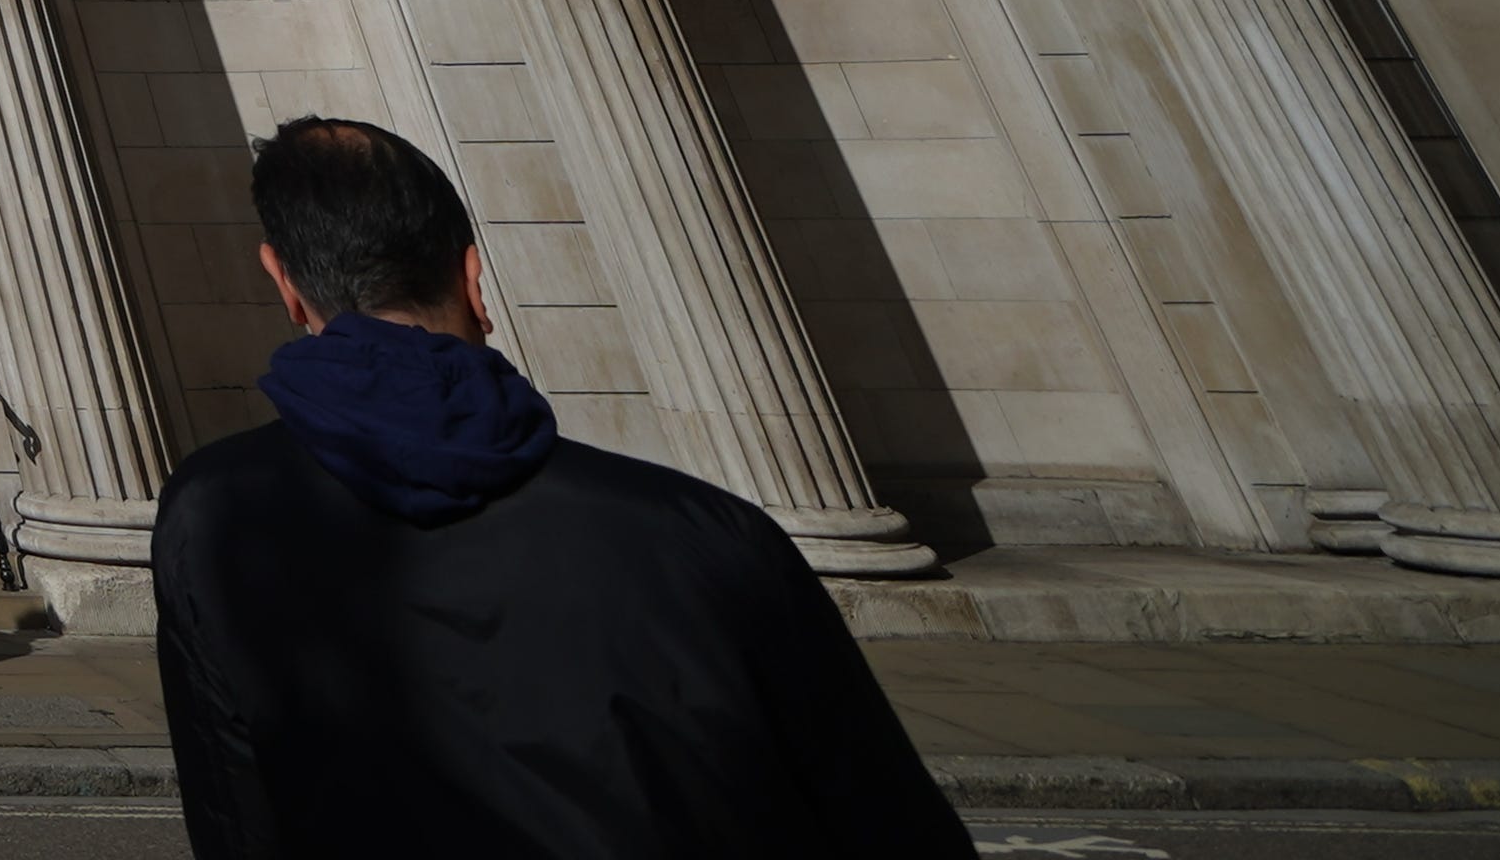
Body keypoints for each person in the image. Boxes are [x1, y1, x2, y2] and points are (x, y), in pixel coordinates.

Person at [154, 117, 972, 860]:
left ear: (285, 285)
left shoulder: (213, 515)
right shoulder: (706, 532)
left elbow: (237, 817)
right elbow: (882, 820)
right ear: (476, 280)